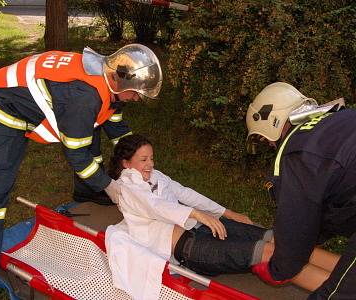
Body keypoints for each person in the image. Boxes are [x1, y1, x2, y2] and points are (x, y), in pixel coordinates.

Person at [0, 44, 162, 299]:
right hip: (4, 103)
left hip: (37, 95)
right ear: (121, 82)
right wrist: (109, 186)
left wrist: (137, 157)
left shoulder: (107, 77)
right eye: (135, 94)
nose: (136, 99)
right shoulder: (83, 97)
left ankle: (87, 189)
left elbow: (115, 123)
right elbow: (77, 155)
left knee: (91, 133)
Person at [105, 134, 338, 299]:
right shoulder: (127, 188)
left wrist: (229, 213)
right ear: (126, 164)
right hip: (189, 248)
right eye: (143, 160)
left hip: (202, 228)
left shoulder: (156, 176)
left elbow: (186, 193)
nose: (150, 165)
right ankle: (341, 291)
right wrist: (199, 215)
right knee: (269, 254)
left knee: (278, 238)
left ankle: (347, 270)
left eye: (152, 158)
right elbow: (154, 205)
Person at [246, 82, 356, 299]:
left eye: (265, 138)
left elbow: (298, 218)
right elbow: (336, 206)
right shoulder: (338, 119)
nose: (269, 144)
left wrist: (279, 269)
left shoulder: (298, 152)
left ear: (273, 121)